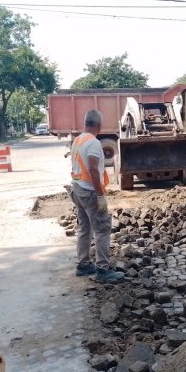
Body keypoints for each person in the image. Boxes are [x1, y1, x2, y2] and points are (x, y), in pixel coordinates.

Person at [69, 109, 124, 283]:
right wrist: (100, 196)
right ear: (99, 125)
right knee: (102, 229)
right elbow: (93, 170)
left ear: (86, 123)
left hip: (77, 189)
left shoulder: (78, 139)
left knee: (85, 228)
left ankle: (83, 264)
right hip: (90, 191)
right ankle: (102, 270)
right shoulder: (93, 143)